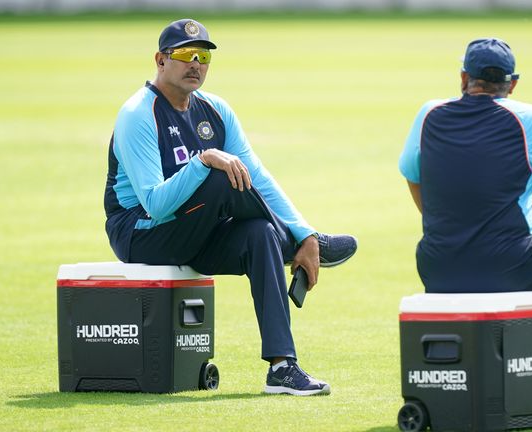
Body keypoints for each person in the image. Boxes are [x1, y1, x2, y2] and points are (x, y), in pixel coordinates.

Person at [104, 18, 357, 396]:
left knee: (261, 232)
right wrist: (203, 161)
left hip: (195, 229)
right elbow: (155, 205)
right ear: (160, 60)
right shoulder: (138, 114)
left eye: (204, 56)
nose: (196, 64)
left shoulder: (216, 110)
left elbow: (259, 178)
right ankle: (297, 247)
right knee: (222, 177)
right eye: (186, 55)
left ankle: (282, 367)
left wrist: (303, 231)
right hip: (141, 233)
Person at [398, 38, 532, 421]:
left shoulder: (428, 114)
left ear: (463, 77)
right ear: (512, 84)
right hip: (512, 263)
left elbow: (412, 176)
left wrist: (447, 225)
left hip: (438, 265)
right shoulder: (528, 119)